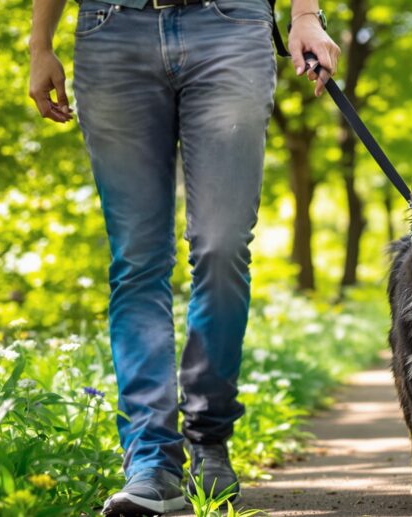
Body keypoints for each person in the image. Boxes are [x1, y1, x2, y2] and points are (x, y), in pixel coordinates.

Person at [28, 0, 339, 514]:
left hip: (230, 25)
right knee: (136, 260)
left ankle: (209, 439)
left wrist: (305, 14)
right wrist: (40, 44)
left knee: (222, 247)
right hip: (111, 29)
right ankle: (151, 460)